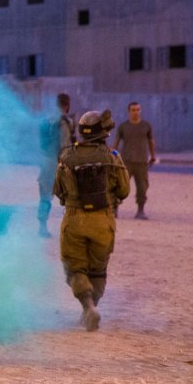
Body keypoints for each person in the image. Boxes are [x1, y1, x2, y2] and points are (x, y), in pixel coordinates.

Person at [54, 110, 129, 331]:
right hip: (102, 220)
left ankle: (87, 307)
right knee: (98, 270)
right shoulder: (112, 157)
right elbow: (124, 190)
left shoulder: (67, 156)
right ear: (101, 133)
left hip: (74, 219)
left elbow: (58, 190)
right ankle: (91, 308)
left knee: (75, 269)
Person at [37, 93, 75, 237]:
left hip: (46, 164)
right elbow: (65, 146)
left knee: (45, 197)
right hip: (60, 164)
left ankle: (42, 227)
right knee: (72, 198)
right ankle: (70, 229)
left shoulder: (46, 121)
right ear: (67, 106)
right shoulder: (64, 122)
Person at [113, 101, 156, 219]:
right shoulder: (123, 126)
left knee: (142, 187)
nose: (136, 112)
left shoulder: (146, 126)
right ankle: (114, 209)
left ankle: (140, 211)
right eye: (133, 110)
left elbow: (151, 141)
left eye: (138, 110)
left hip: (142, 162)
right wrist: (112, 156)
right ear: (129, 112)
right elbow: (116, 142)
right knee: (120, 186)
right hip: (126, 161)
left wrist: (153, 156)